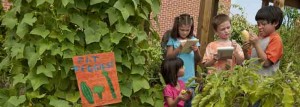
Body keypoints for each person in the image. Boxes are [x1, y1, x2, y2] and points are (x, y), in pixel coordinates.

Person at [166, 14, 201, 107]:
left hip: (190, 81)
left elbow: (198, 59)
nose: (184, 33)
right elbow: (168, 58)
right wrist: (178, 49)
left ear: (191, 28)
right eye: (182, 30)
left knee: (190, 104)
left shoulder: (193, 40)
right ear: (177, 27)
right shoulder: (173, 40)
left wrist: (196, 50)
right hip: (176, 81)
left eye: (187, 30)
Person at [243, 6, 283, 76]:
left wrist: (257, 44)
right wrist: (245, 51)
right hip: (251, 81)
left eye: (263, 24)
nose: (259, 27)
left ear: (275, 23)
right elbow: (250, 60)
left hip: (264, 84)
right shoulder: (258, 39)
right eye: (258, 24)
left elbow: (266, 63)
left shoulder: (276, 40)